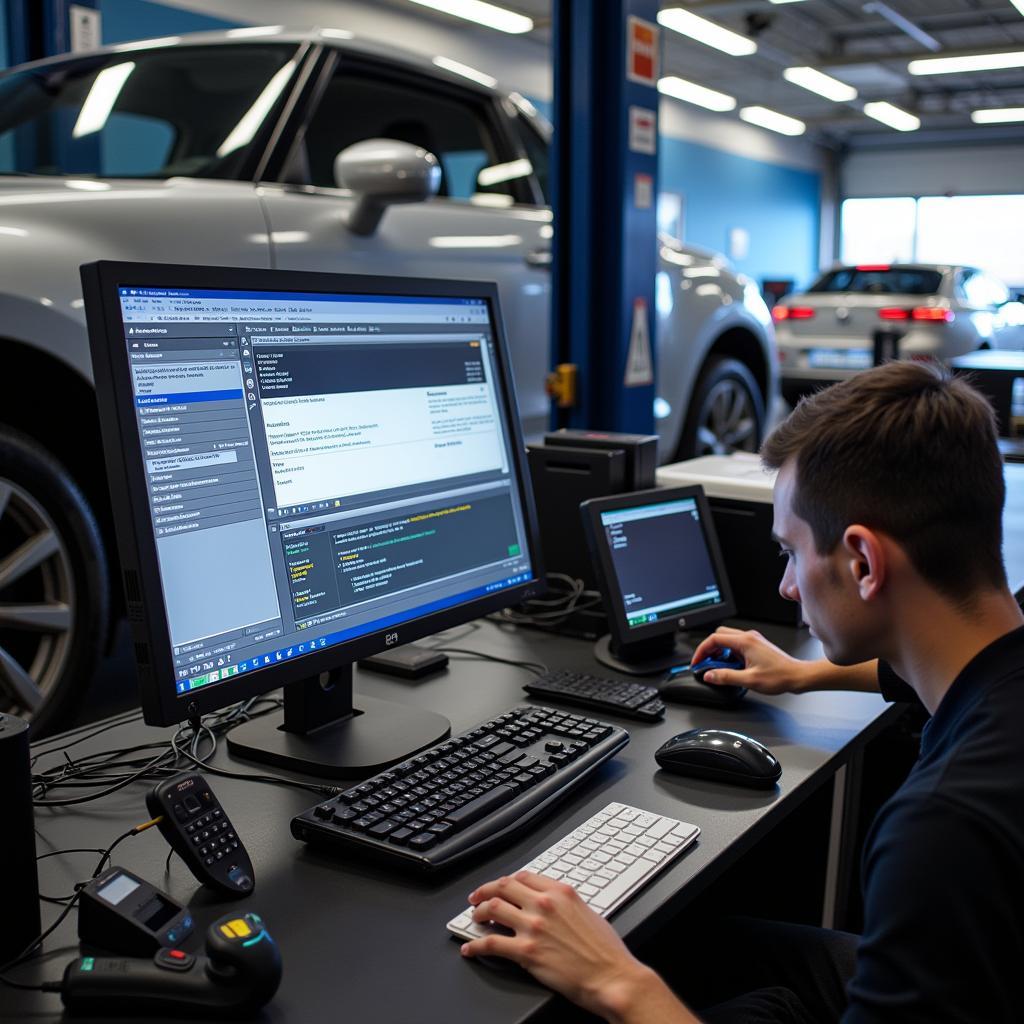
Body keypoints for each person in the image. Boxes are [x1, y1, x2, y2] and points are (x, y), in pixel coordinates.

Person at [459, 361, 1024, 1022]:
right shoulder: (997, 664)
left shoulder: (943, 827)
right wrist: (801, 671)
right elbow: (917, 664)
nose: (786, 587)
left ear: (864, 562)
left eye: (790, 552)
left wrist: (617, 983)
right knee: (690, 940)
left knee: (614, 976)